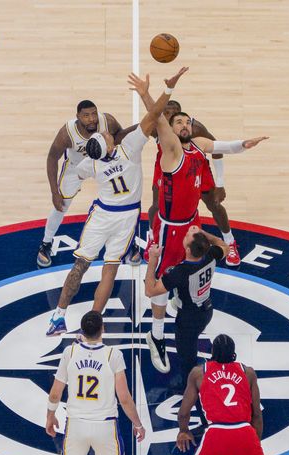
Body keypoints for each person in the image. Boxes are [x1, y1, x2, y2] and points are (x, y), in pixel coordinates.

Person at [128, 72, 267, 373]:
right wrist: (151, 92)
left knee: (191, 270)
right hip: (169, 226)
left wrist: (245, 144)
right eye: (179, 122)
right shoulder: (173, 149)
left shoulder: (196, 147)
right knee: (161, 286)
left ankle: (178, 299)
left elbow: (223, 146)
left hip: (191, 220)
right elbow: (158, 119)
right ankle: (156, 335)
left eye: (187, 121)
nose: (184, 125)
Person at [45, 72, 180, 336]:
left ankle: (58, 316)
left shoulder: (90, 164)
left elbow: (76, 170)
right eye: (106, 137)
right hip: (126, 215)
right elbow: (153, 117)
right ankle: (94, 321)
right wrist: (167, 90)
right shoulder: (129, 147)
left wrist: (61, 187)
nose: (108, 133)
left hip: (102, 214)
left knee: (80, 265)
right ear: (107, 145)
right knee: (110, 269)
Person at [44, 311, 145, 455]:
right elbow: (125, 398)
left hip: (76, 424)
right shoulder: (113, 355)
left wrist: (50, 416)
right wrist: (138, 424)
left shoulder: (69, 352)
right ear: (103, 329)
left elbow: (56, 393)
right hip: (105, 425)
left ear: (81, 331)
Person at [143, 98, 241, 266]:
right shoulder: (157, 128)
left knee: (214, 204)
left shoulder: (195, 129)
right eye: (166, 112)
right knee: (157, 204)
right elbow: (133, 133)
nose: (170, 115)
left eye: (174, 112)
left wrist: (220, 183)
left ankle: (229, 241)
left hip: (196, 166)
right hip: (168, 167)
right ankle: (153, 238)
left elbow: (218, 150)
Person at [37, 101, 124, 268]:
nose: (92, 119)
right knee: (61, 205)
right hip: (76, 167)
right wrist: (54, 192)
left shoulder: (107, 121)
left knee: (122, 200)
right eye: (86, 115)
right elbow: (52, 157)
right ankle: (46, 243)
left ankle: (128, 244)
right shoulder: (68, 132)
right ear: (78, 117)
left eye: (94, 114)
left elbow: (120, 136)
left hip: (103, 164)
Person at [142, 227, 222, 388]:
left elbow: (149, 290)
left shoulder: (180, 273)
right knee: (186, 297)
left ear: (187, 249)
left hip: (189, 319)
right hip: (206, 309)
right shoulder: (211, 255)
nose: (186, 233)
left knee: (187, 358)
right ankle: (177, 302)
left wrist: (153, 260)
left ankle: (189, 387)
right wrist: (203, 235)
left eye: (188, 236)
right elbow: (222, 243)